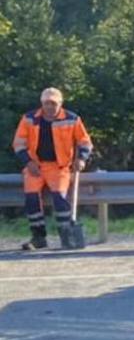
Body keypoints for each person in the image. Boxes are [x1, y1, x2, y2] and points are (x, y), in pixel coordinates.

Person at [11, 88, 93, 250]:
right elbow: (19, 143)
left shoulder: (72, 119)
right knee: (31, 199)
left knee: (59, 199)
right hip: (35, 166)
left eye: (53, 103)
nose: (49, 106)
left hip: (59, 167)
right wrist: (28, 162)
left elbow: (85, 142)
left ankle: (66, 236)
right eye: (46, 103)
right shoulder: (29, 119)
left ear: (60, 103)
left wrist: (81, 159)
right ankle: (38, 238)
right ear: (42, 103)